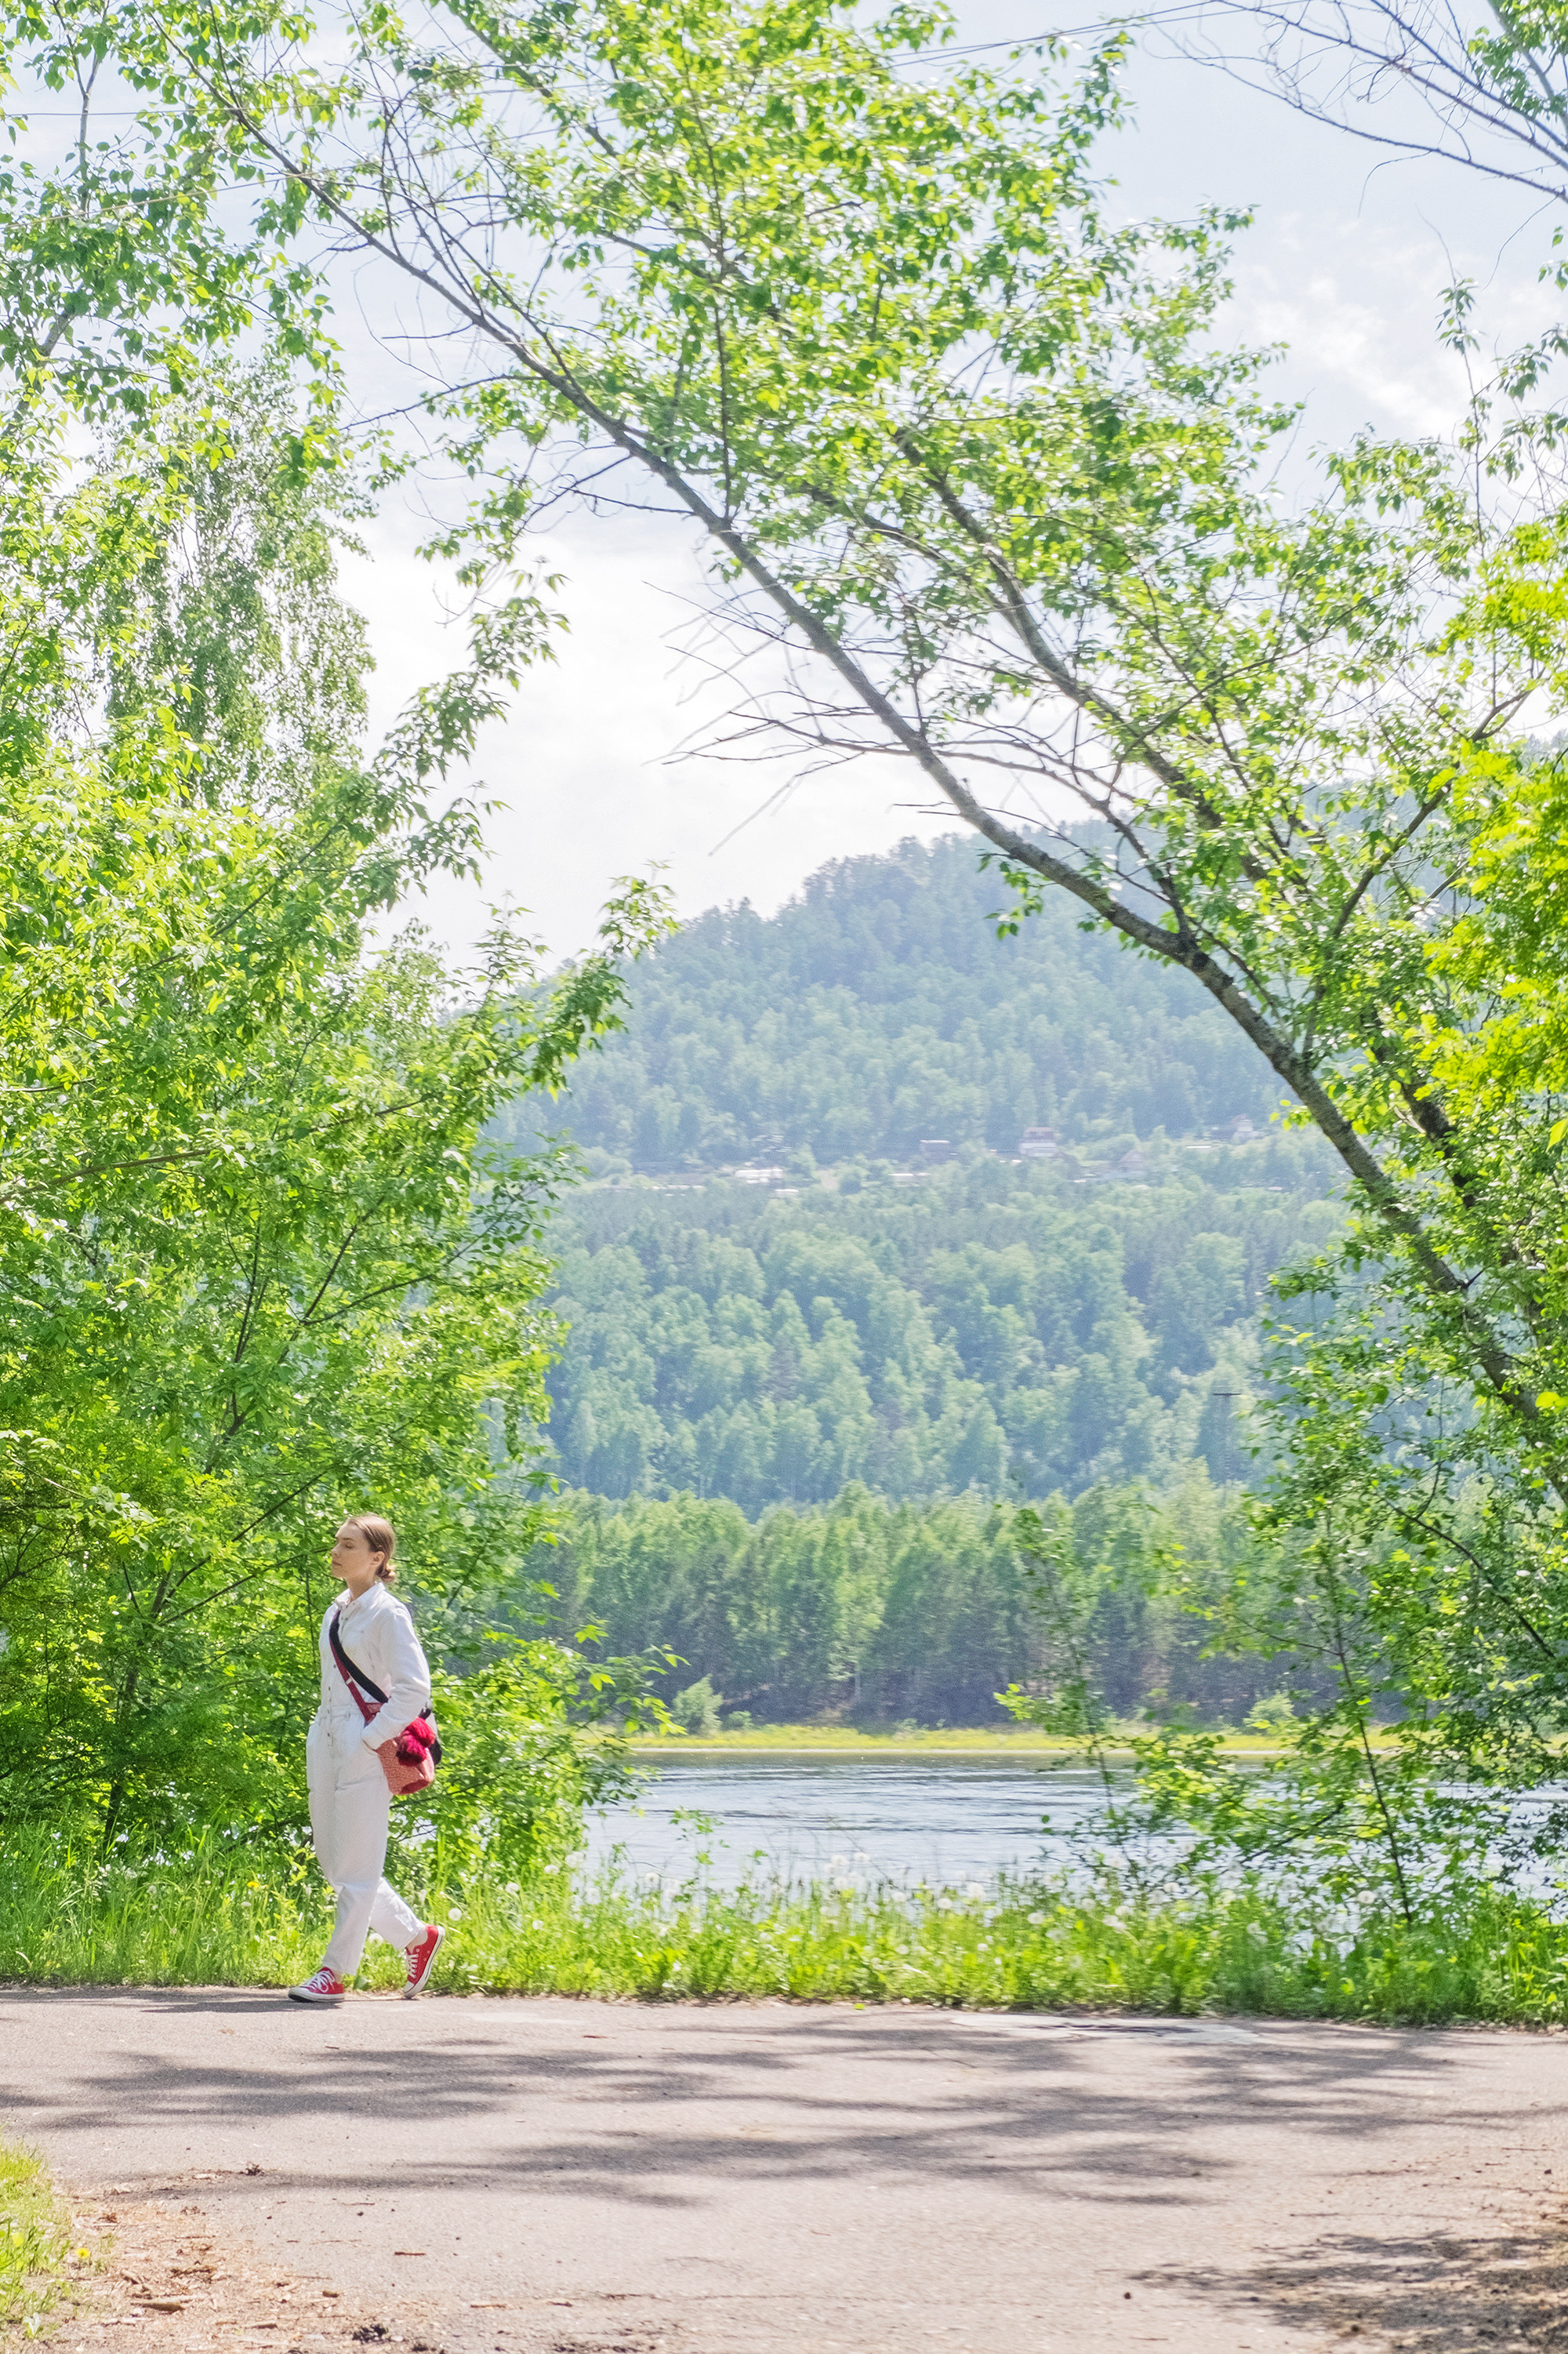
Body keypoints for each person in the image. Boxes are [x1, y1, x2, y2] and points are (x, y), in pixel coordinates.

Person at [289, 1513, 445, 2005]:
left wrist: (370, 1738)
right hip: (326, 1737)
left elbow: (414, 1688)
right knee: (335, 1863)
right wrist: (326, 1737)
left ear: (378, 1558)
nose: (336, 1551)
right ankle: (417, 1937)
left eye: (348, 1544)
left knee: (357, 1867)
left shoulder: (388, 1614)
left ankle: (334, 1973)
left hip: (364, 1743)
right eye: (336, 1542)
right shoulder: (336, 1611)